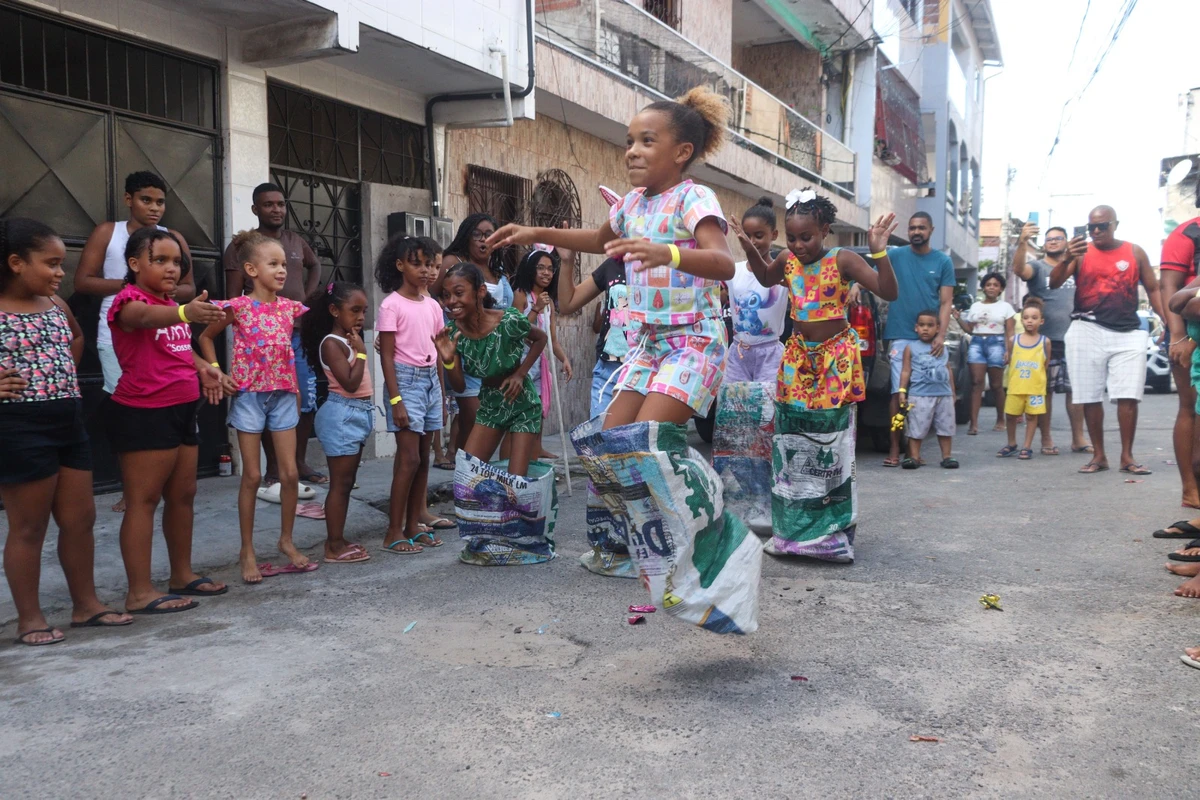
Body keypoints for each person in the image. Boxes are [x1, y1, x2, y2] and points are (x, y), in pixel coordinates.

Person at [735, 189, 897, 561]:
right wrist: (750, 251)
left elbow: (888, 290)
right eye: (791, 238)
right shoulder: (788, 261)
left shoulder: (844, 259)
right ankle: (793, 531)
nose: (797, 245)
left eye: (805, 237)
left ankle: (831, 531)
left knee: (832, 436)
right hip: (796, 358)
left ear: (825, 229)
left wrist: (879, 251)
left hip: (834, 359)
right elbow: (763, 278)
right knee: (793, 437)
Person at [1, 217, 133, 645]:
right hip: (19, 425)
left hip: (68, 419)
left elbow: (76, 337)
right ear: (17, 262)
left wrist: (62, 373)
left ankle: (87, 604)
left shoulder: (55, 304)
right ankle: (30, 618)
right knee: (29, 527)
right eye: (52, 263)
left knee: (80, 519)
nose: (61, 273)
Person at [108, 227, 232, 613]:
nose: (171, 269)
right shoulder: (130, 300)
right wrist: (184, 310)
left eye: (177, 261)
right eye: (159, 260)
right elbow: (144, 319)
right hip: (146, 411)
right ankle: (140, 592)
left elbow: (179, 348)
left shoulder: (168, 303)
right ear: (134, 263)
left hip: (183, 409)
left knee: (183, 496)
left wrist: (204, 368)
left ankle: (182, 575)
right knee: (143, 501)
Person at [76, 170, 196, 513]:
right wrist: (136, 288)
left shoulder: (171, 238)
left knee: (168, 407)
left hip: (167, 337)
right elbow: (83, 280)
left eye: (160, 201)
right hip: (118, 335)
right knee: (127, 405)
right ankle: (134, 485)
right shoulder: (108, 233)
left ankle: (161, 479)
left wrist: (163, 288)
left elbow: (187, 287)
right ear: (129, 199)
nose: (154, 207)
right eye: (146, 200)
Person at [199, 230, 312, 584]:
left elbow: (288, 351)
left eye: (284, 265)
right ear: (250, 269)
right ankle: (246, 549)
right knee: (251, 475)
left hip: (282, 396)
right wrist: (217, 372)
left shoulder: (290, 308)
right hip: (249, 395)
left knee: (290, 474)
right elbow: (204, 338)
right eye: (273, 264)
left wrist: (295, 388)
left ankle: (286, 540)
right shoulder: (239, 308)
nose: (282, 271)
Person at [436, 262, 550, 565]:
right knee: (467, 476)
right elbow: (459, 385)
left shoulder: (508, 319)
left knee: (516, 483)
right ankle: (490, 535)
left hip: (521, 401)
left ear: (479, 292)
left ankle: (519, 542)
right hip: (490, 403)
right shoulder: (453, 334)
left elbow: (540, 339)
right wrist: (448, 361)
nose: (451, 301)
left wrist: (520, 374)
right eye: (446, 295)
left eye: (459, 293)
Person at [222, 183, 324, 494]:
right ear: (256, 209)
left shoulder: (295, 241)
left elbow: (316, 264)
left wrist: (305, 297)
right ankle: (274, 468)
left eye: (280, 203)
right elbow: (231, 299)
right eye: (268, 204)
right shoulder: (243, 247)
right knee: (265, 399)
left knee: (302, 400)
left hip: (296, 335)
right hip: (260, 343)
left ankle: (298, 462)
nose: (276, 209)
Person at [1051, 205, 1165, 475]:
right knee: (1089, 395)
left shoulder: (1135, 251)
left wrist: (1169, 323)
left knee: (1128, 396)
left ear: (1116, 224)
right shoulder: (1080, 253)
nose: (1097, 231)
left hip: (1127, 332)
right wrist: (1067, 256)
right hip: (1086, 328)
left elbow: (1153, 287)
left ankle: (1127, 457)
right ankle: (1099, 456)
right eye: (1092, 227)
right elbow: (1054, 282)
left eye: (1103, 226)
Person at [376, 234, 445, 554]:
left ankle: (413, 525)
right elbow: (386, 356)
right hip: (405, 382)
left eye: (429, 264)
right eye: (416, 263)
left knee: (424, 460)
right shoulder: (391, 305)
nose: (423, 270)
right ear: (400, 265)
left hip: (431, 381)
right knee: (409, 458)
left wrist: (442, 398)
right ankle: (393, 531)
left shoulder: (433, 306)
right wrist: (395, 399)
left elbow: (440, 352)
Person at [300, 281, 372, 565]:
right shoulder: (332, 344)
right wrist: (363, 352)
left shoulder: (348, 341)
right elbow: (351, 384)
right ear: (333, 310)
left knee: (346, 481)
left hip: (357, 413)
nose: (360, 317)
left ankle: (338, 538)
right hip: (343, 413)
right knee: (340, 484)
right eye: (354, 310)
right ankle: (333, 545)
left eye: (364, 311)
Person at [432, 214, 514, 458]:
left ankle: (466, 463)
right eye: (477, 233)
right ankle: (464, 464)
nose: (483, 239)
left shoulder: (498, 271)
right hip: (465, 349)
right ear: (466, 237)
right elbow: (430, 297)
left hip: (496, 356)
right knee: (477, 417)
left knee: (489, 420)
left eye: (489, 234)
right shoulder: (453, 262)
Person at [882, 212, 956, 466]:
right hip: (901, 334)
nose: (916, 232)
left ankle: (916, 451)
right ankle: (895, 449)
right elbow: (871, 272)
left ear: (931, 230)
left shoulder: (943, 261)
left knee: (928, 393)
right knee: (898, 393)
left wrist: (941, 334)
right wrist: (856, 286)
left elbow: (946, 302)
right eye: (912, 227)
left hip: (931, 339)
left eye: (921, 228)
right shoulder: (895, 255)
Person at [1012, 222, 1089, 455]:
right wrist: (1022, 241)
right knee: (1043, 391)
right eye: (1049, 239)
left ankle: (1078, 439)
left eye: (1058, 238)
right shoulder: (1037, 266)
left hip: (1076, 338)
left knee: (1075, 391)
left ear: (1067, 242)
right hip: (1044, 342)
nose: (1053, 241)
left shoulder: (1077, 266)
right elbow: (1019, 270)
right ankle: (1046, 439)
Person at [512, 247, 573, 460]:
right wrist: (535, 308)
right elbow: (516, 330)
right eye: (541, 268)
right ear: (530, 269)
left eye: (550, 269)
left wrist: (564, 359)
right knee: (522, 410)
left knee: (537, 409)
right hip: (521, 362)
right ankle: (519, 454)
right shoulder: (520, 295)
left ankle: (535, 450)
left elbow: (552, 340)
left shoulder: (549, 304)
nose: (546, 273)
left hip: (539, 363)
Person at [1159, 215, 1200, 507]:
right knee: (1190, 407)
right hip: (1188, 332)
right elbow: (1169, 288)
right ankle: (1191, 490)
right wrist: (1178, 336)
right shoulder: (1187, 232)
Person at [726, 197, 788, 383]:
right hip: (738, 354)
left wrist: (855, 286)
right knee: (734, 407)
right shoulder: (734, 270)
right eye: (746, 235)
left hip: (770, 355)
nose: (751, 242)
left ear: (774, 235)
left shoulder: (783, 273)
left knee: (767, 408)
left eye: (758, 236)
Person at [952, 272, 1015, 434]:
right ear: (984, 287)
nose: (991, 287)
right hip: (977, 343)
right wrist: (958, 319)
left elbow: (1010, 332)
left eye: (995, 285)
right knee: (976, 382)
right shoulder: (976, 306)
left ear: (1001, 288)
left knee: (996, 385)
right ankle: (974, 424)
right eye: (988, 285)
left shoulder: (1006, 307)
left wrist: (1009, 351)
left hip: (997, 343)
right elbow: (970, 330)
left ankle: (1001, 419)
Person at [897, 310, 958, 469]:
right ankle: (914, 457)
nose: (926, 329)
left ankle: (947, 456)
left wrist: (952, 392)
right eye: (922, 325)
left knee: (946, 427)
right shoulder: (911, 348)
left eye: (930, 325)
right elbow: (905, 370)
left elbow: (948, 368)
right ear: (916, 328)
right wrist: (902, 391)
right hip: (920, 395)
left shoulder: (941, 347)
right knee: (917, 428)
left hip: (943, 395)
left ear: (938, 328)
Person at [997, 298, 1050, 460]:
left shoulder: (1045, 342)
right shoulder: (1014, 341)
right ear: (1021, 319)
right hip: (1016, 386)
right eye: (1026, 317)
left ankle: (1027, 446)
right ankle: (1011, 443)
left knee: (1032, 416)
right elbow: (1011, 360)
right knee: (1011, 415)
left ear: (1041, 321)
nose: (1029, 321)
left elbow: (1045, 364)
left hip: (1035, 388)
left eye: (1034, 318)